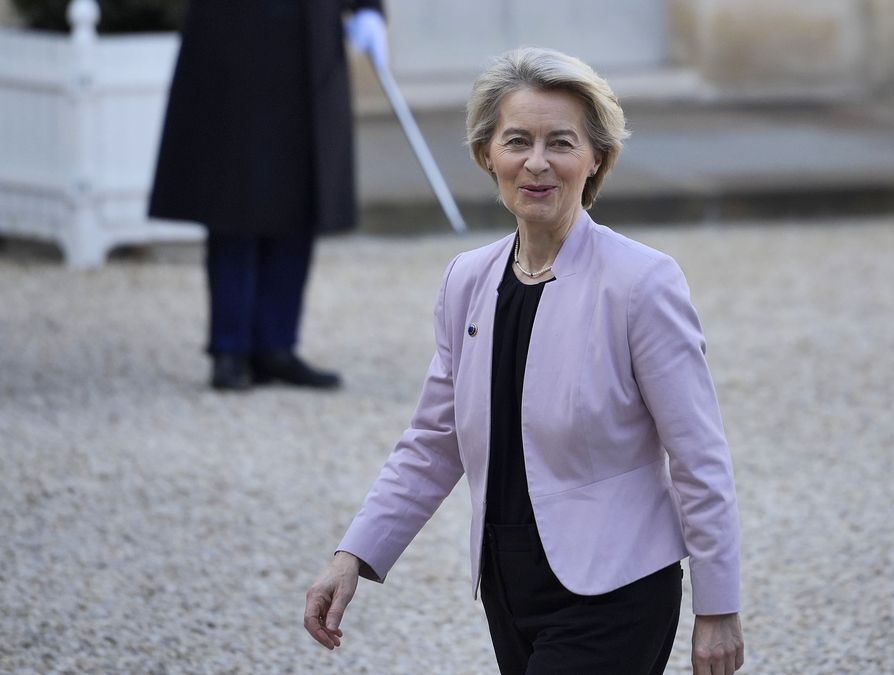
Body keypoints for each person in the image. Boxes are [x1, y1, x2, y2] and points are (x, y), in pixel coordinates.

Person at [304, 47, 745, 674]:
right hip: (508, 589)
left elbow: (699, 455)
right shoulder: (467, 280)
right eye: (518, 141)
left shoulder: (643, 283)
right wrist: (354, 555)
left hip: (615, 592)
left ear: (596, 159)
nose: (537, 163)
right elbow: (434, 439)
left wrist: (718, 607)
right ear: (489, 155)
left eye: (561, 142)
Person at [148, 1, 389, 391]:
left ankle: (275, 345)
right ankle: (231, 348)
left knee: (301, 188)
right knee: (235, 194)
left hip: (309, 38)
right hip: (234, 40)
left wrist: (367, 8)